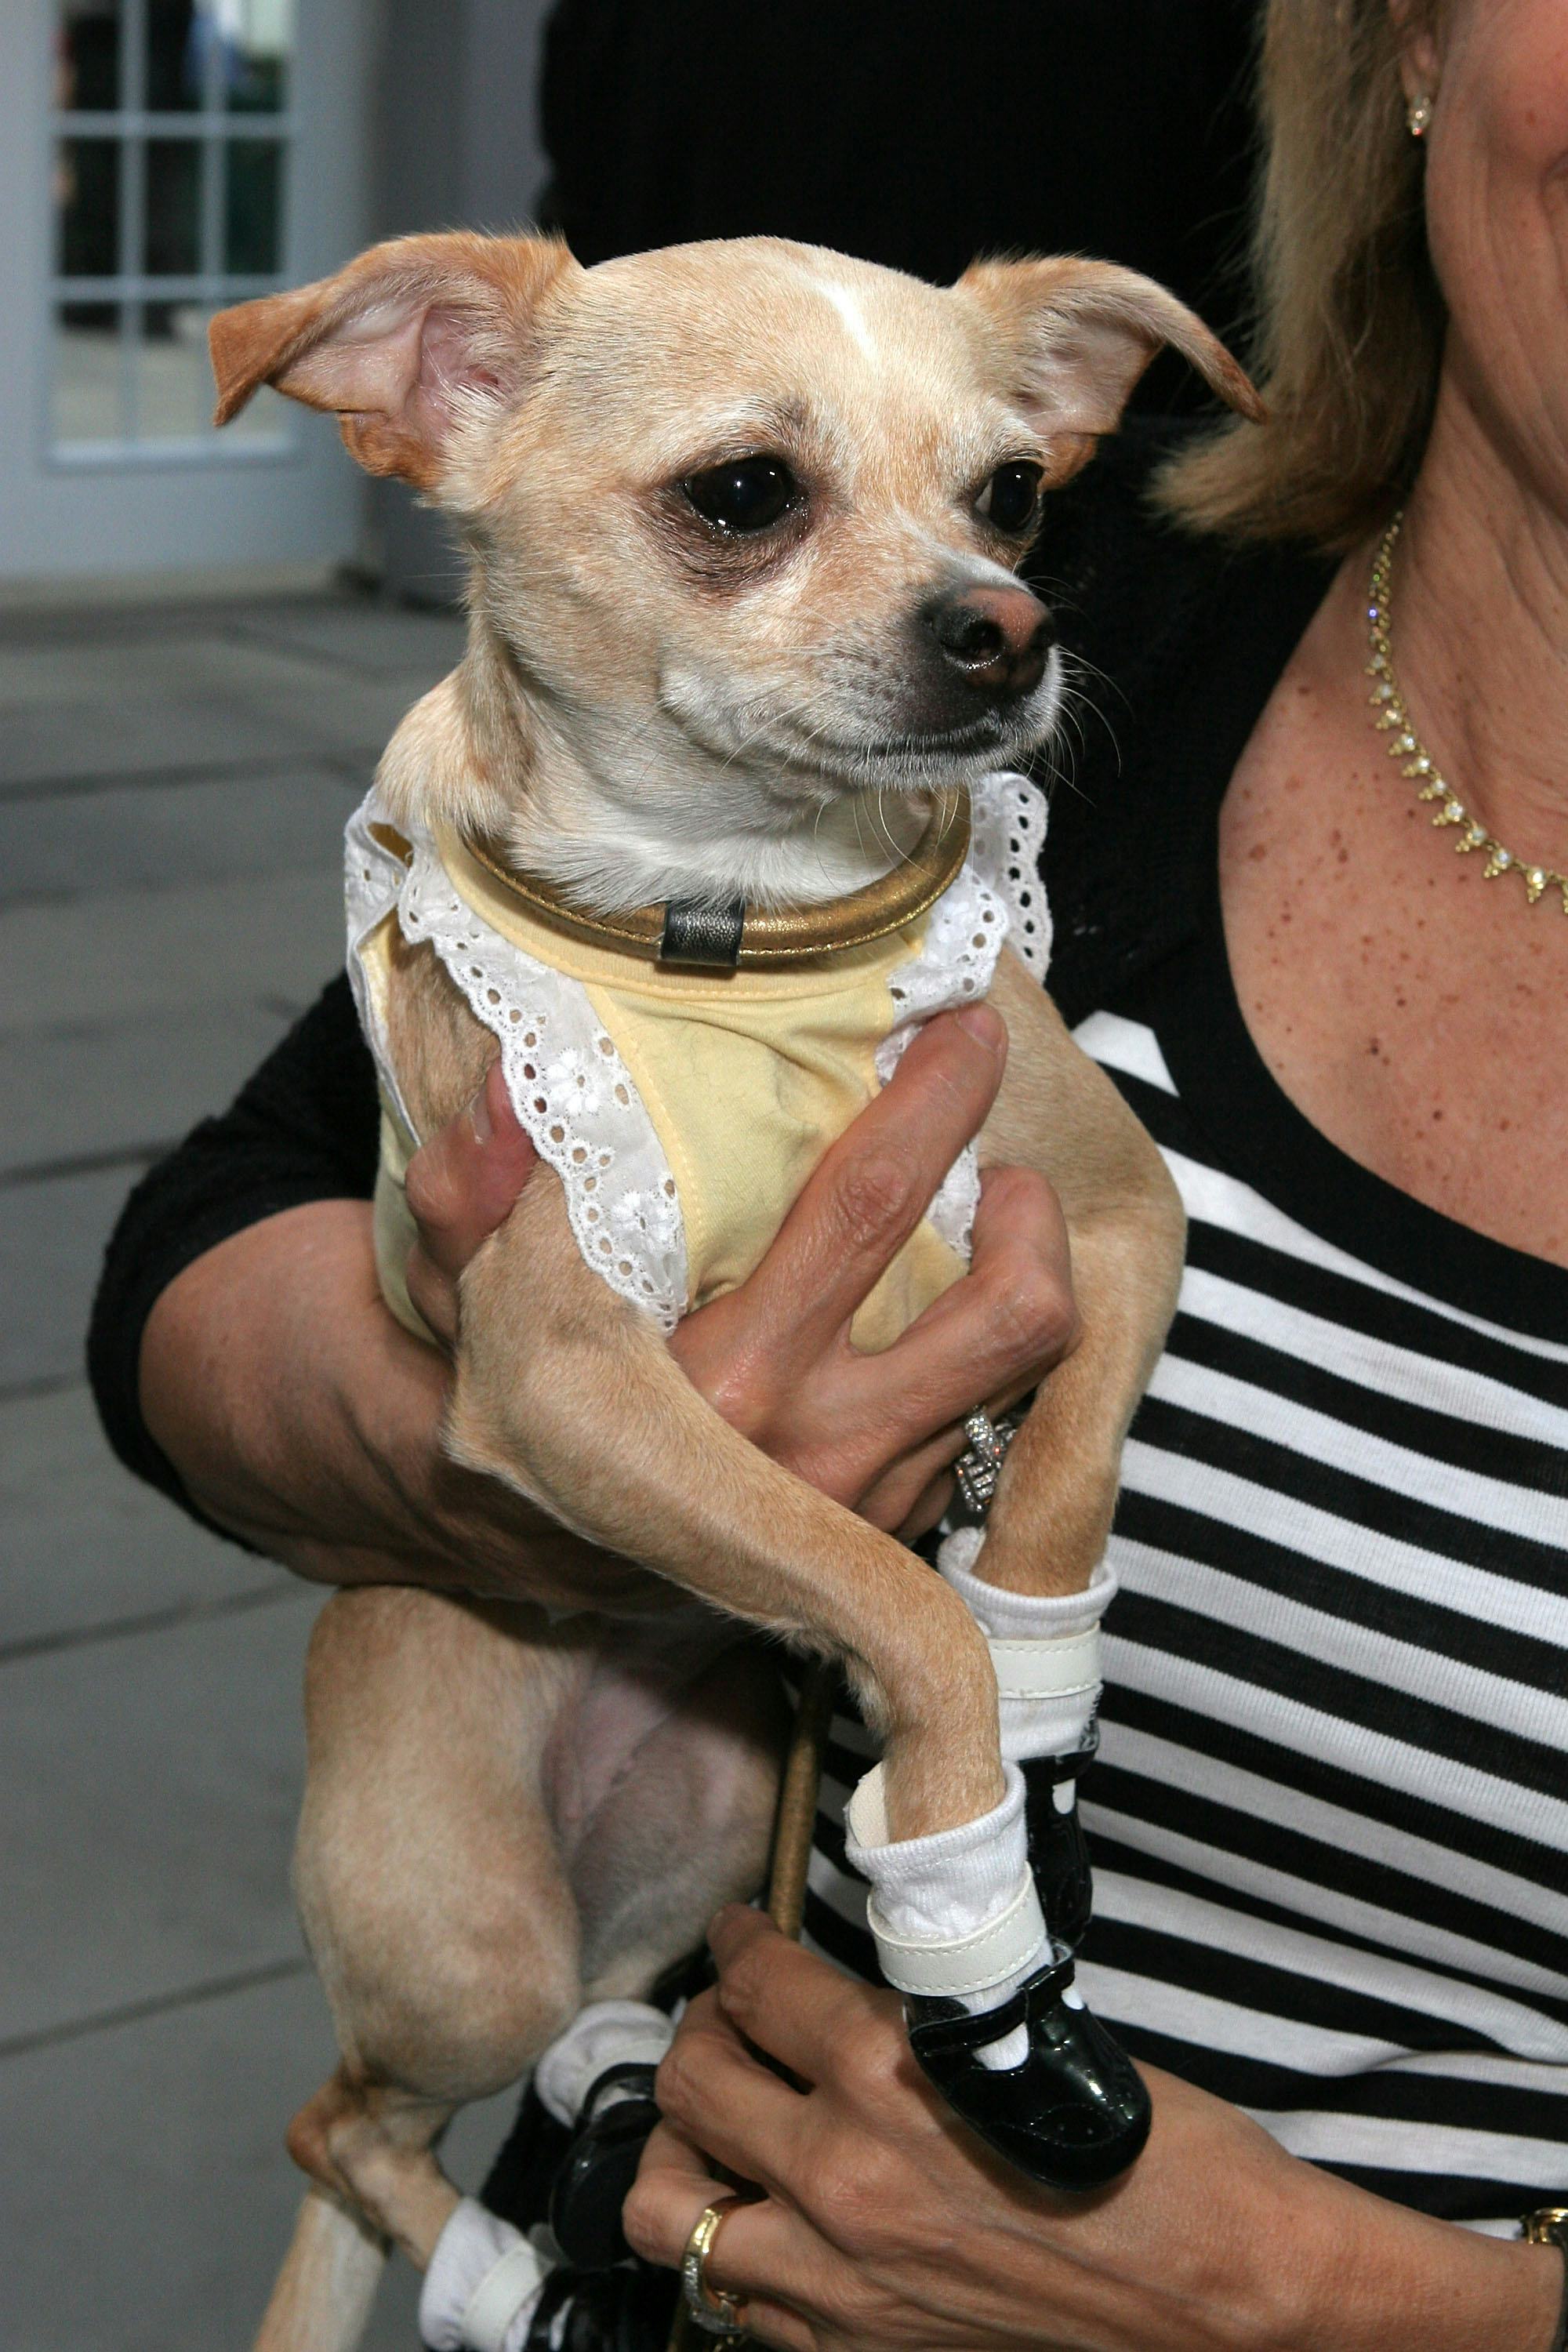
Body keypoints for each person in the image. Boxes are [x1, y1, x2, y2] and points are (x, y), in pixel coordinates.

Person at [87, 2, 1568, 2348]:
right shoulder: (951, 739)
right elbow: (191, 1265)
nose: (984, 604)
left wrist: (1371, 2307)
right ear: (1407, 45)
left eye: (997, 504)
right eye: (748, 499)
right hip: (664, 2137)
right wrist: (492, 1457)